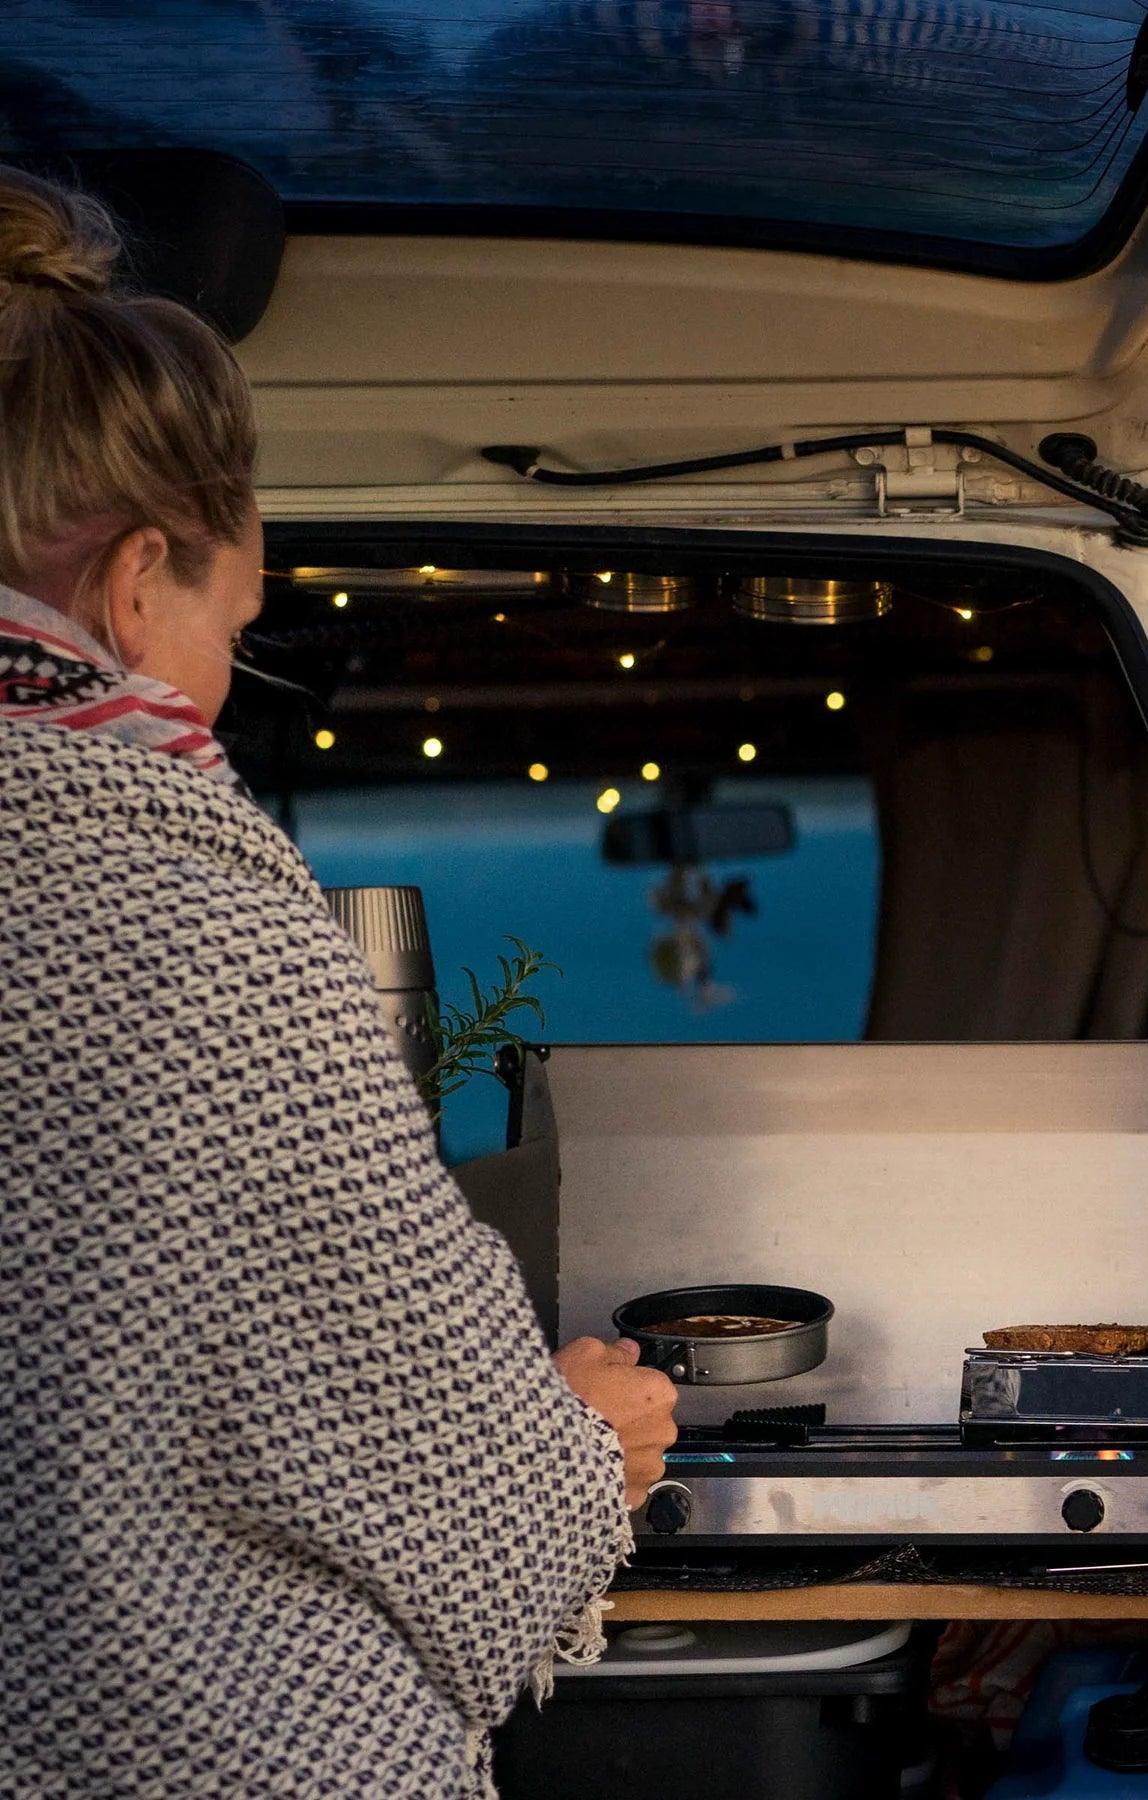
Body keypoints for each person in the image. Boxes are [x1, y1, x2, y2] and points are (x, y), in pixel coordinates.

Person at [0, 167, 678, 1797]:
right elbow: (469, 1502)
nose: (225, 693)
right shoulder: (187, 921)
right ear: (134, 580)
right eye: (232, 621)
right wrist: (593, 1436)